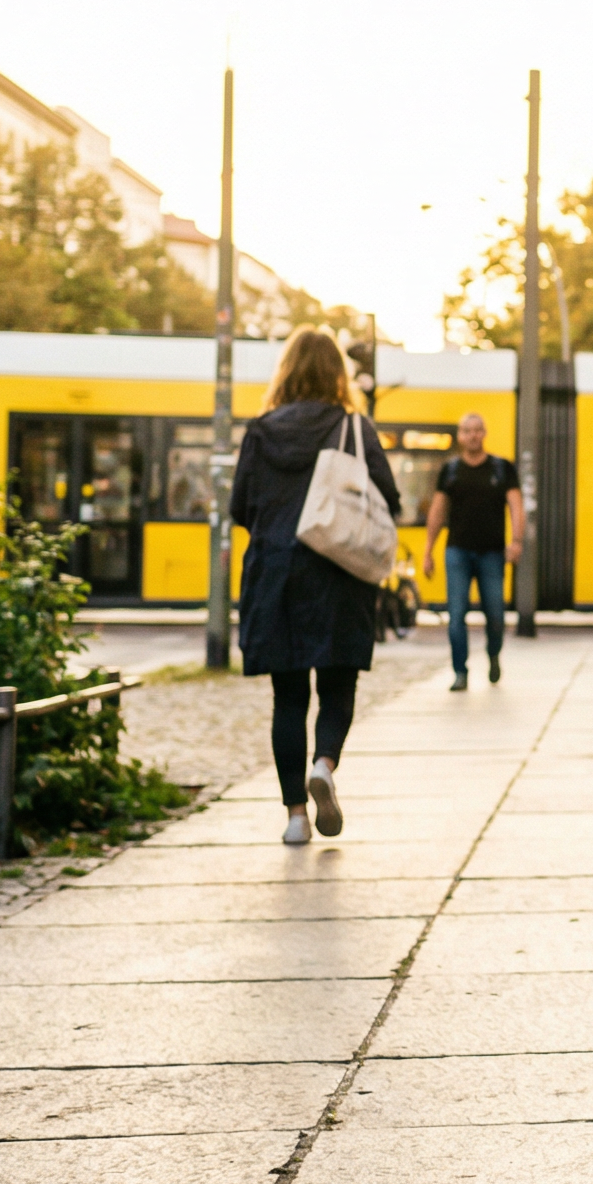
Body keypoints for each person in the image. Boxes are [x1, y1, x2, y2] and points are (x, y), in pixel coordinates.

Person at [230, 326, 401, 845]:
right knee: (337, 686)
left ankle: (296, 817)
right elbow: (388, 499)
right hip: (338, 574)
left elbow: (241, 508)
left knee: (288, 698)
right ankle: (324, 764)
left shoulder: (260, 431)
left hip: (275, 574)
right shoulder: (354, 427)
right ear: (338, 373)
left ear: (287, 369)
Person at [422, 411, 522, 693]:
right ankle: (460, 672)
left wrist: (516, 541)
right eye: (467, 430)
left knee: (495, 614)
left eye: (477, 430)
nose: (472, 435)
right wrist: (428, 550)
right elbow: (438, 512)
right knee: (456, 614)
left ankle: (493, 655)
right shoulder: (450, 470)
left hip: (492, 553)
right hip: (458, 552)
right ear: (460, 435)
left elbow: (516, 506)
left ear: (484, 433)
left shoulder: (502, 468)